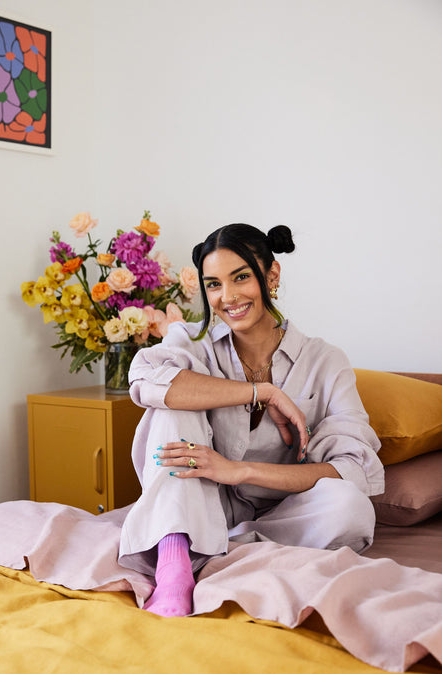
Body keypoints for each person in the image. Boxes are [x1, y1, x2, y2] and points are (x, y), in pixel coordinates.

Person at [119, 223, 384, 618]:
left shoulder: (325, 362)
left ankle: (217, 548)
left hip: (282, 514)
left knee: (352, 506)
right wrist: (265, 392)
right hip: (201, 499)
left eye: (241, 277)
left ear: (272, 275)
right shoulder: (191, 341)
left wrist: (239, 470)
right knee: (172, 404)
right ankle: (175, 562)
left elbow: (349, 470)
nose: (227, 297)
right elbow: (146, 379)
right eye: (213, 285)